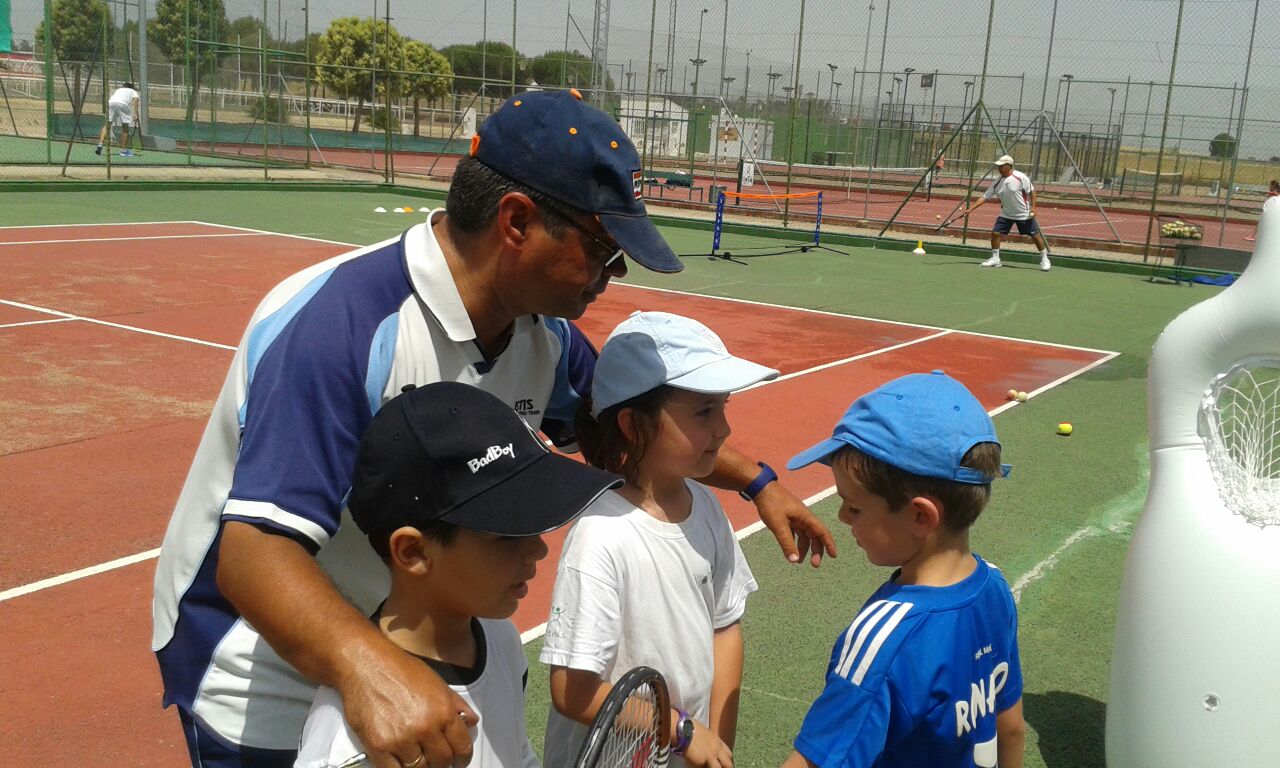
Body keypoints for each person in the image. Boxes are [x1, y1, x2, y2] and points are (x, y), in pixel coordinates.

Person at [151, 88, 835, 768]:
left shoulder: (543, 339)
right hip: (267, 680)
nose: (616, 271)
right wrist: (369, 669)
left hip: (412, 652)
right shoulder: (341, 329)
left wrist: (757, 482)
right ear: (516, 221)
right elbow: (255, 554)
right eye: (602, 246)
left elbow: (637, 431)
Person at [294, 381, 622, 768]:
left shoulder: (499, 638)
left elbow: (517, 756)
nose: (539, 549)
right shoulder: (351, 746)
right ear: (413, 552)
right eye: (506, 535)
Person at [542, 311, 778, 768]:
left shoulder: (706, 506)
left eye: (724, 407)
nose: (724, 428)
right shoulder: (601, 534)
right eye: (704, 411)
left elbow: (725, 626)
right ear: (633, 425)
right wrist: (683, 731)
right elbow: (573, 690)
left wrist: (717, 744)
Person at [780, 371, 1026, 768]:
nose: (842, 517)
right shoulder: (995, 588)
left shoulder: (883, 640)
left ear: (920, 516)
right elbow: (1010, 728)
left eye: (854, 506)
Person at [962, 155, 1051, 272]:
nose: (999, 168)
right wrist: (971, 209)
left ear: (1009, 166)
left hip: (1023, 214)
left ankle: (1044, 259)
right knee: (995, 233)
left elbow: (1032, 192)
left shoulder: (1020, 177)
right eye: (999, 166)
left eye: (1002, 166)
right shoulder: (997, 181)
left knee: (1035, 235)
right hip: (1006, 214)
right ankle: (995, 259)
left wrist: (1034, 208)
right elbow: (985, 196)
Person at [96, 82, 140, 157]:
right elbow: (135, 101)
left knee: (107, 125)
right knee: (125, 128)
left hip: (110, 104)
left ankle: (100, 144)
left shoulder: (119, 90)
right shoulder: (133, 91)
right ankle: (123, 151)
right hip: (122, 104)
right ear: (131, 87)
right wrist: (135, 114)